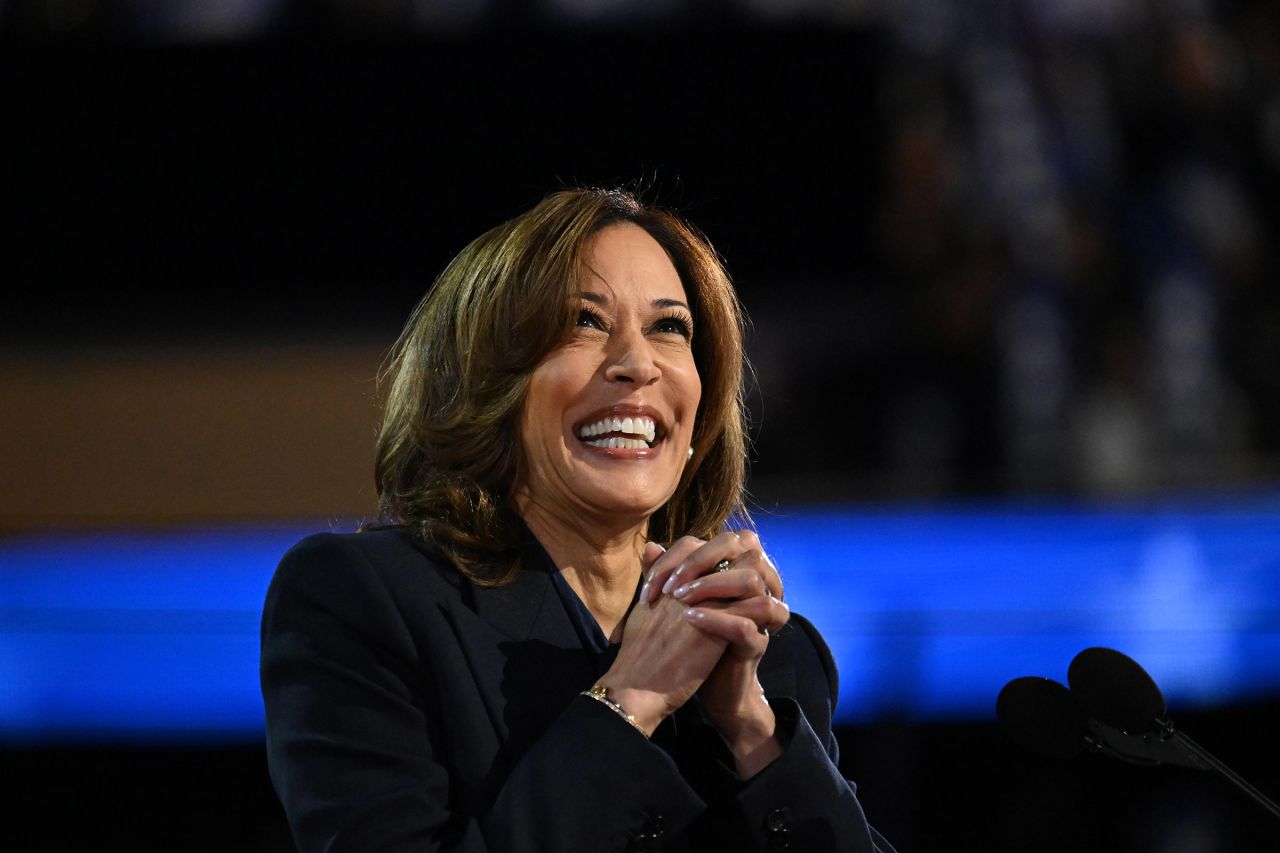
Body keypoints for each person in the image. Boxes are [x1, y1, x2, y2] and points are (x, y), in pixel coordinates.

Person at [260, 188, 894, 852]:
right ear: (485, 379)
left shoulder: (774, 659)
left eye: (669, 327)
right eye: (584, 323)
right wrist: (629, 700)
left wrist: (753, 732)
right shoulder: (363, 601)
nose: (638, 364)